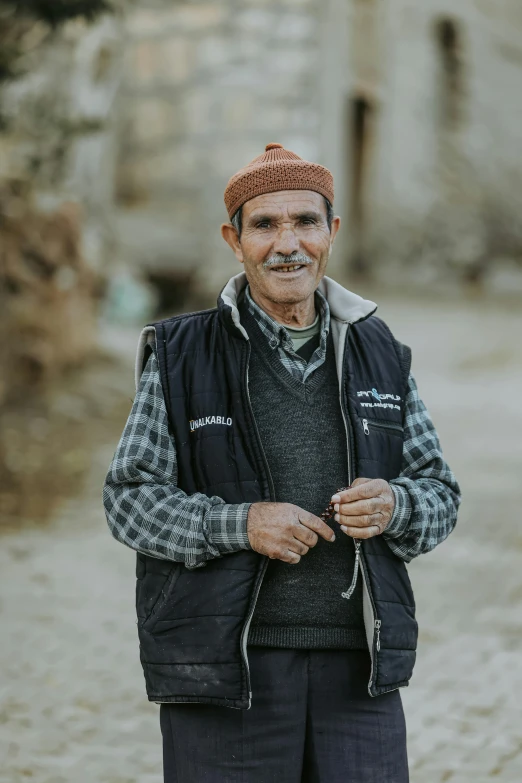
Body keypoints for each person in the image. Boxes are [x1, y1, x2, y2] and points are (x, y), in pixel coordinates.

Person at [103, 142, 461, 782]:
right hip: (223, 671)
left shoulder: (380, 350)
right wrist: (239, 524)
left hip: (360, 675)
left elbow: (438, 491)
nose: (287, 243)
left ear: (332, 232)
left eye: (305, 222)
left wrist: (396, 505)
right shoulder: (182, 353)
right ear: (233, 239)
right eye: (265, 225)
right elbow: (129, 500)